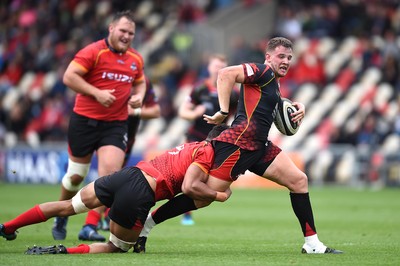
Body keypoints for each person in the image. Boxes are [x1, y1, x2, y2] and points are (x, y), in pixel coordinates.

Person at [133, 37, 343, 254]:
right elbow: (226, 74)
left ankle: (312, 244)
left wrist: (300, 106)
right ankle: (146, 225)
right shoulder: (263, 71)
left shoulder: (272, 82)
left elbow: (268, 105)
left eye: (289, 58)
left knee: (299, 181)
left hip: (260, 146)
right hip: (238, 145)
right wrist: (223, 111)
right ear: (268, 57)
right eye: (281, 56)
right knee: (202, 197)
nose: (286, 61)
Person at [0, 125, 231, 254]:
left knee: (68, 206)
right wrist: (220, 195)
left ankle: (8, 227)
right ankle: (62, 252)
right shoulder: (208, 152)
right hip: (140, 193)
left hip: (126, 175)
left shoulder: (191, 146)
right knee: (116, 247)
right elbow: (191, 187)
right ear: (219, 141)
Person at [52, 10, 147, 242]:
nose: (126, 36)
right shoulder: (93, 52)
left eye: (131, 33)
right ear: (111, 29)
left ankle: (89, 226)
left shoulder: (135, 59)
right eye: (123, 30)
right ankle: (61, 214)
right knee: (75, 176)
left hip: (114, 125)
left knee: (111, 176)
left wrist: (139, 96)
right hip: (84, 122)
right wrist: (97, 93)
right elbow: (69, 77)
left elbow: (141, 82)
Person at [177, 53, 238, 225]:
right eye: (215, 65)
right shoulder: (200, 88)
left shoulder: (233, 92)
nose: (218, 69)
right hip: (195, 137)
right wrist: (194, 113)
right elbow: (183, 111)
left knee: (214, 178)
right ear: (209, 67)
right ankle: (186, 213)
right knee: (188, 175)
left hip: (217, 141)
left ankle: (202, 202)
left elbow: (238, 116)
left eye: (222, 66)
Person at [98, 76, 161, 231]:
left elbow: (156, 111)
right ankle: (90, 223)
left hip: (127, 138)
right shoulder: (106, 75)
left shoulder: (144, 82)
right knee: (106, 178)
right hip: (101, 134)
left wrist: (135, 110)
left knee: (114, 178)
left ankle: (105, 219)